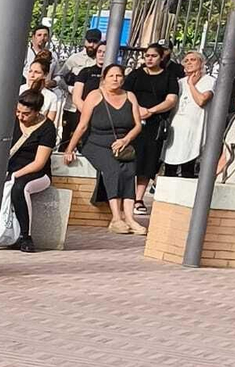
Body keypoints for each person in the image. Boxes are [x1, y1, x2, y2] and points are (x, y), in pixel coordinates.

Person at [64, 63, 144, 235]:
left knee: (129, 170)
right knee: (113, 169)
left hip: (122, 144)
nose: (115, 79)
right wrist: (69, 148)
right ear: (104, 79)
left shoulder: (130, 96)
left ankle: (130, 218)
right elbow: (82, 125)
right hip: (96, 143)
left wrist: (126, 139)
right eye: (111, 76)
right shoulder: (95, 96)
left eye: (119, 76)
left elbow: (138, 125)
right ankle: (116, 218)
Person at [125, 43, 178, 216]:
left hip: (154, 123)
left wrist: (152, 110)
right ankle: (126, 196)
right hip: (133, 121)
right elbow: (125, 94)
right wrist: (137, 109)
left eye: (153, 56)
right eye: (147, 55)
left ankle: (138, 198)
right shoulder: (136, 74)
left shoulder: (169, 77)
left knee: (148, 161)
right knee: (130, 158)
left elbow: (171, 100)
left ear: (161, 57)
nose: (149, 59)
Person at [3, 89, 57, 253]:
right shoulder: (11, 121)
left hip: (36, 173)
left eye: (26, 114)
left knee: (20, 188)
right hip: (10, 168)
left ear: (37, 112)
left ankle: (26, 236)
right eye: (18, 111)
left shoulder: (47, 128)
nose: (20, 116)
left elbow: (39, 162)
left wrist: (14, 175)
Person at [160, 51, 214, 177]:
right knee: (170, 164)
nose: (189, 62)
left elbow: (201, 100)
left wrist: (191, 84)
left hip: (194, 127)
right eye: (187, 60)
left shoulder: (209, 81)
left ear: (201, 63)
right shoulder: (179, 83)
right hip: (176, 127)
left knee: (188, 165)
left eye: (193, 60)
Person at [57, 29, 102, 144]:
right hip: (72, 106)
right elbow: (59, 77)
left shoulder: (102, 60)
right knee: (67, 139)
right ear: (85, 41)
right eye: (89, 41)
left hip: (94, 108)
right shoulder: (75, 58)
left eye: (95, 42)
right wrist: (70, 89)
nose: (91, 45)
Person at [21, 55, 63, 128]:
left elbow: (49, 122)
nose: (32, 75)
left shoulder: (51, 97)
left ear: (45, 75)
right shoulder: (20, 89)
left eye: (37, 72)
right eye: (30, 71)